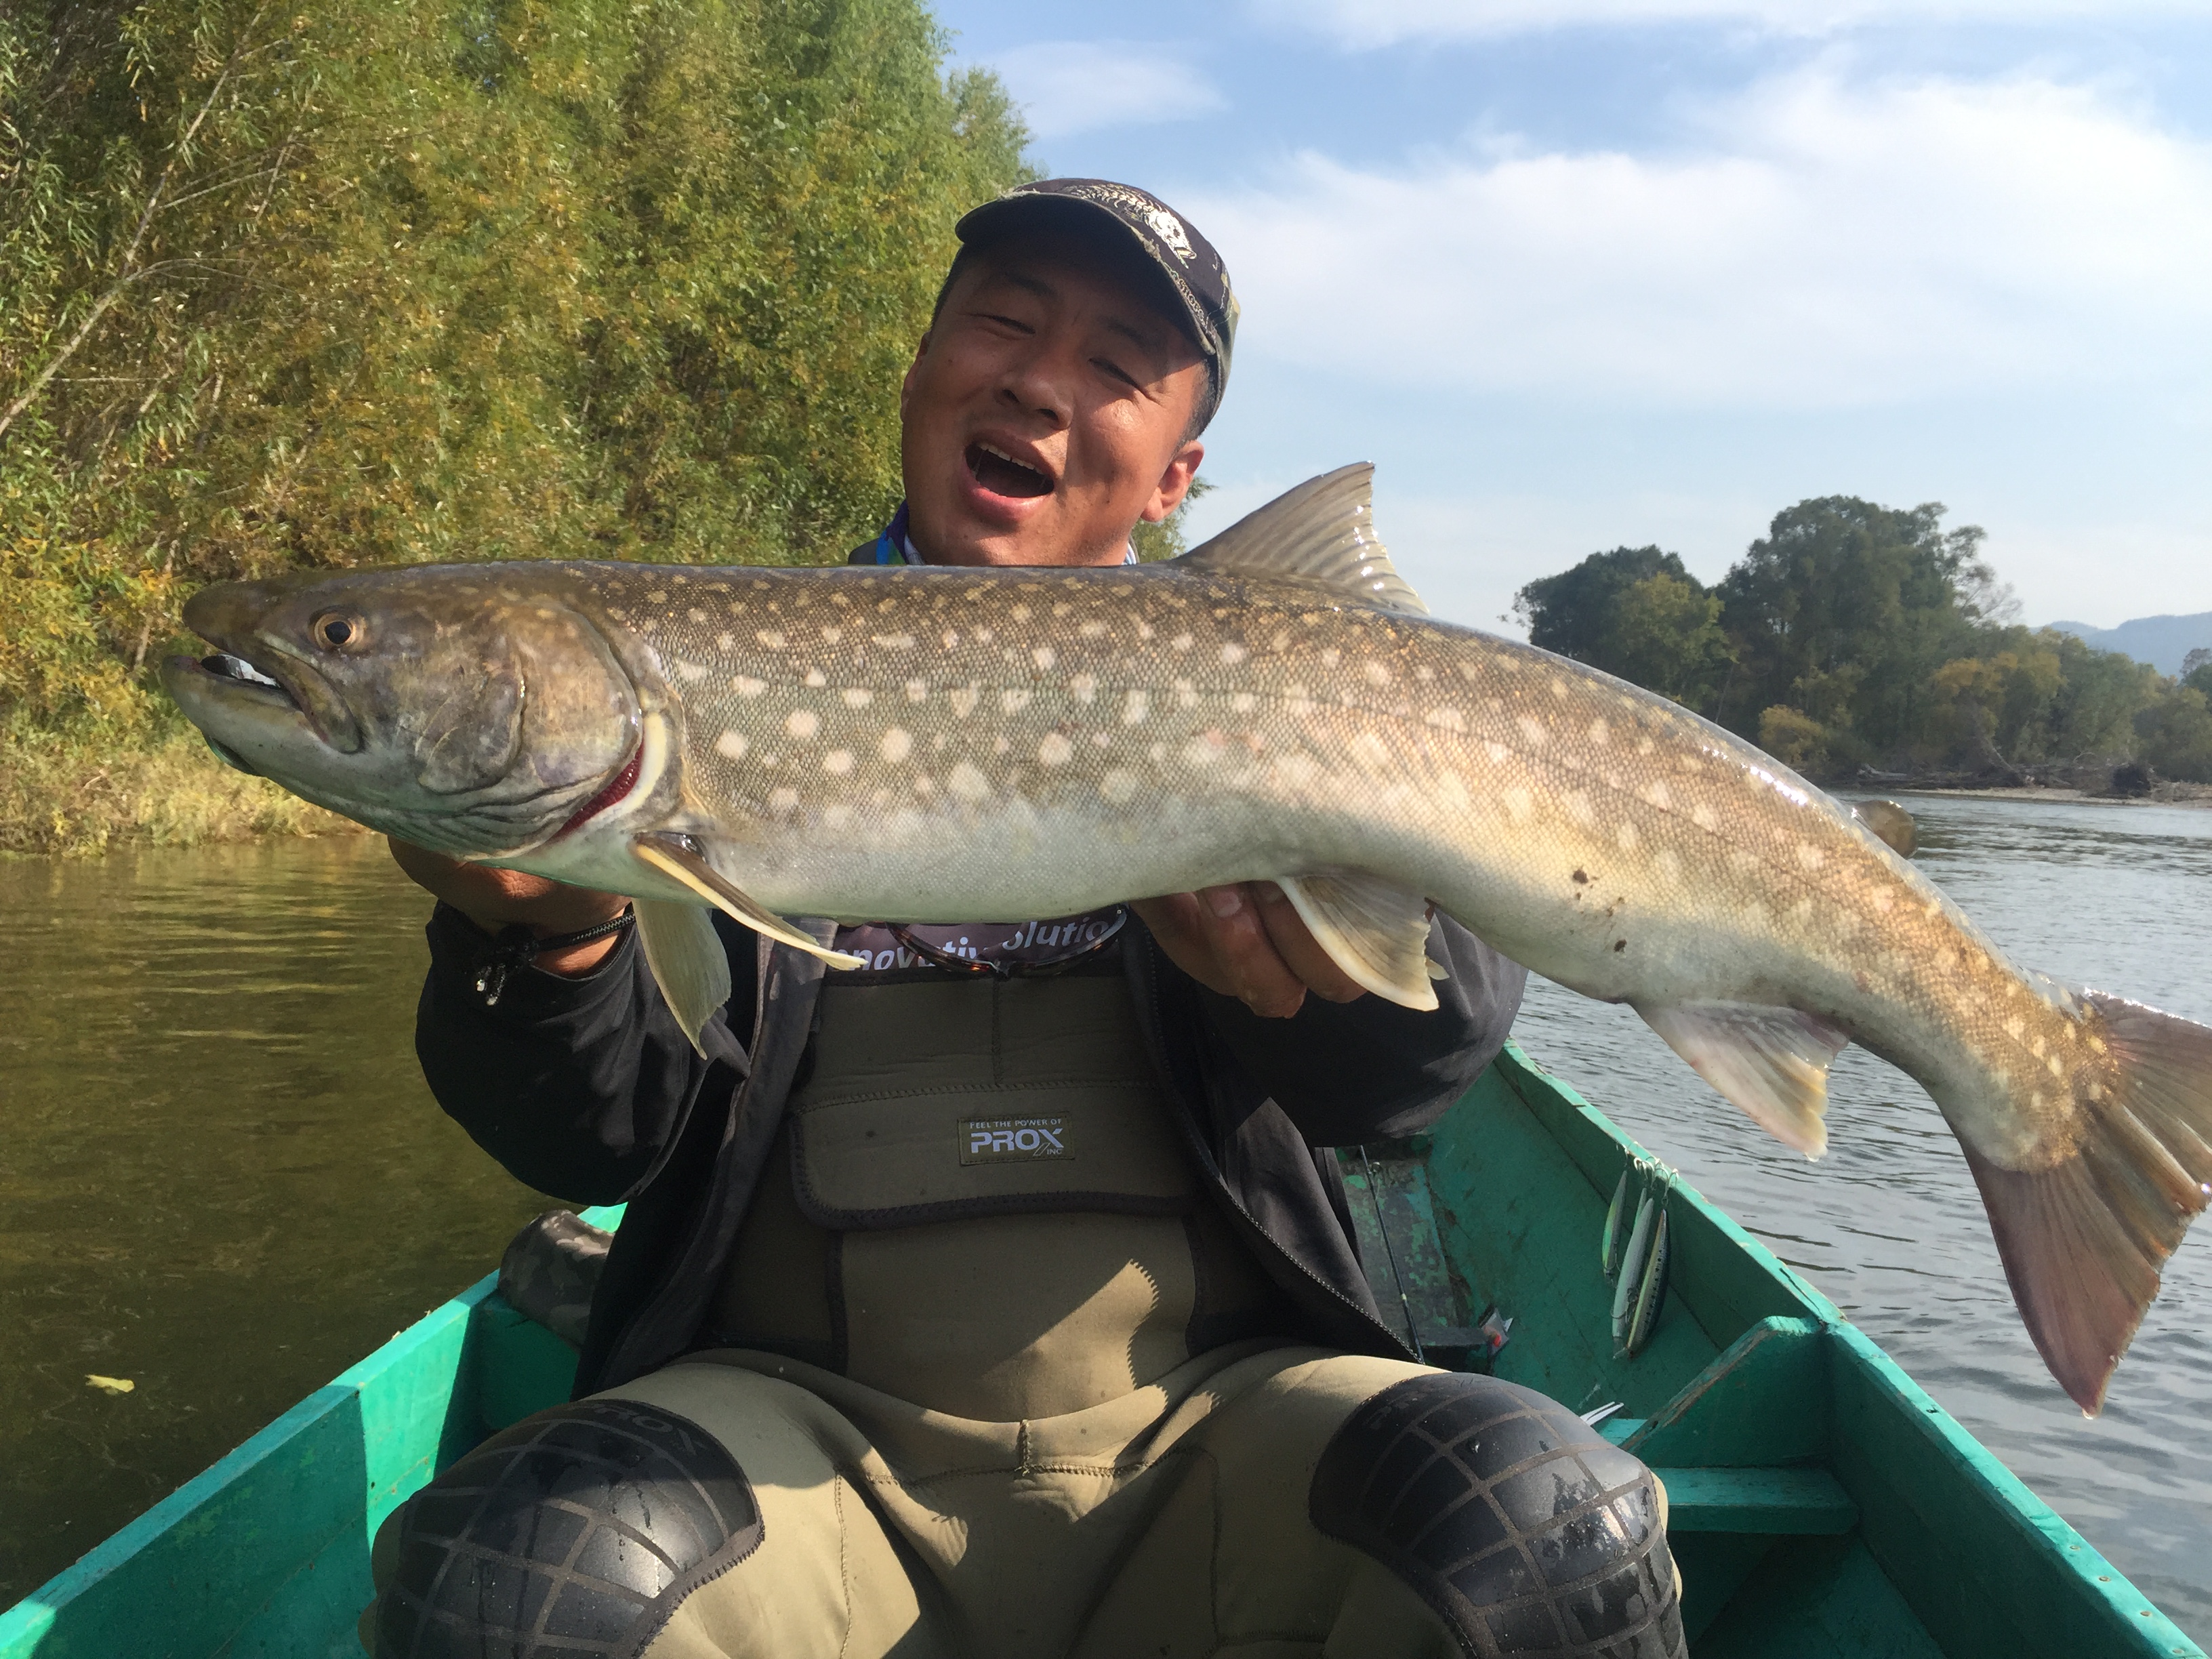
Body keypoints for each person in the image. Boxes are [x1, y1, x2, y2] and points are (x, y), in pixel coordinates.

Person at [370, 179, 1685, 1659]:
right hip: (787, 1449)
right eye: (1002, 322)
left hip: (1228, 1433)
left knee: (1548, 1531)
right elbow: (585, 1144)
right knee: (518, 1591)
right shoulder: (713, 687)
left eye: (1117, 366)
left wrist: (1301, 988)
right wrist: (541, 942)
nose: (1042, 382)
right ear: (923, 371)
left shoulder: (1308, 691)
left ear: (1178, 473)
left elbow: (1411, 1082)